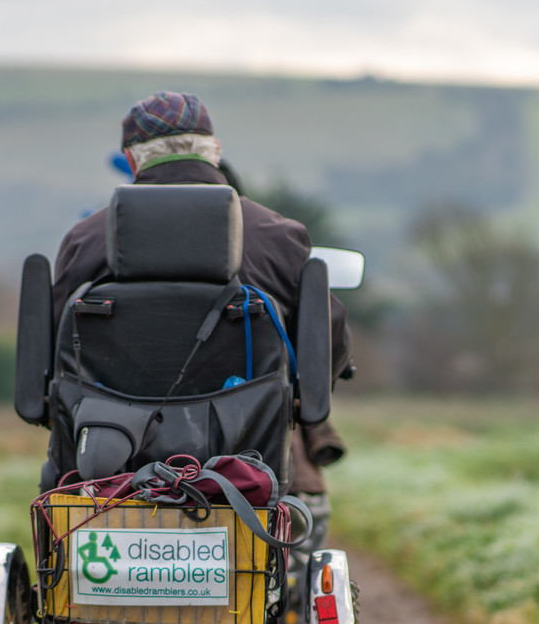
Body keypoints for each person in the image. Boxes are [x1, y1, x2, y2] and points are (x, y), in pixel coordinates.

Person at [52, 91, 351, 543]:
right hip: (246, 465)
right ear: (214, 151)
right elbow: (324, 346)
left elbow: (49, 357)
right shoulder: (279, 236)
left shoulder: (84, 240)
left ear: (132, 162)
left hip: (110, 464)